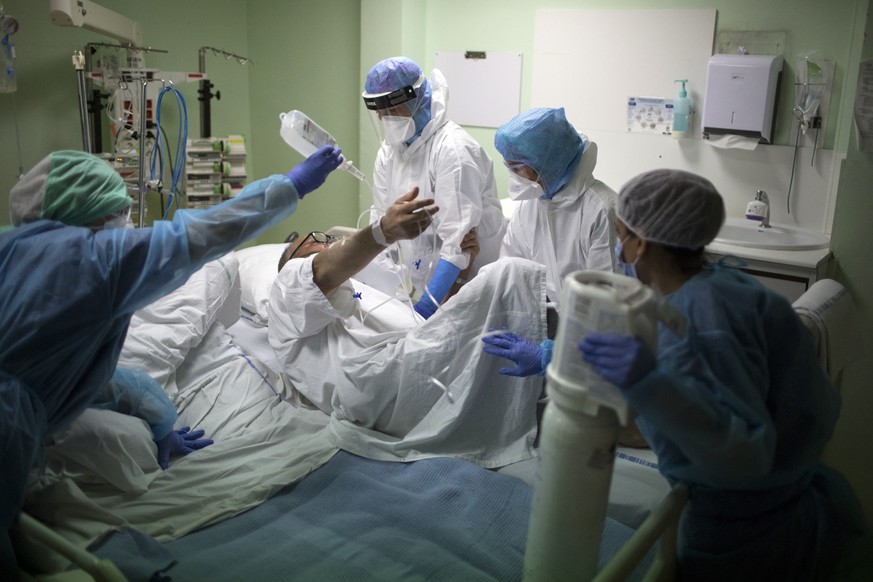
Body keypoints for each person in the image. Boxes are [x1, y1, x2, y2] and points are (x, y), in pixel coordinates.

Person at [0, 146, 342, 578]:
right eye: (118, 213)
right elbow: (198, 236)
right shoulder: (94, 260)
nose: (125, 223)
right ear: (89, 216)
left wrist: (155, 411)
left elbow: (67, 372)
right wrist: (289, 187)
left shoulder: (10, 248)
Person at [574, 169, 864, 581]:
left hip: (743, 534)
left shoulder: (703, 319)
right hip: (790, 500)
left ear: (642, 243)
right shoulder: (722, 287)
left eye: (621, 235)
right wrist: (552, 354)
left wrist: (650, 385)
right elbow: (694, 375)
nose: (620, 250)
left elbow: (745, 457)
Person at [268, 188, 547, 469]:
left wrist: (463, 269)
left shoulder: (361, 291)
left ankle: (546, 383)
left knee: (500, 307)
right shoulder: (287, 289)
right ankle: (565, 368)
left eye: (330, 237)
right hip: (374, 380)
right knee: (510, 274)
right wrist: (382, 233)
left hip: (404, 365)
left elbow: (426, 323)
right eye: (316, 239)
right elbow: (320, 271)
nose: (329, 240)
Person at [361, 56, 507, 319]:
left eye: (393, 111)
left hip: (471, 284)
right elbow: (383, 222)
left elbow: (459, 245)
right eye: (381, 115)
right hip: (429, 285)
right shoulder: (389, 152)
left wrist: (425, 311)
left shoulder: (454, 150)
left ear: (417, 99)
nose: (387, 120)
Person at [494, 107, 617, 308]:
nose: (513, 177)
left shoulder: (601, 211)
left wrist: (565, 340)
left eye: (517, 169)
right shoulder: (530, 204)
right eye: (509, 168)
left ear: (548, 162)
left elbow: (606, 302)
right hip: (562, 318)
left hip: (595, 327)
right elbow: (509, 269)